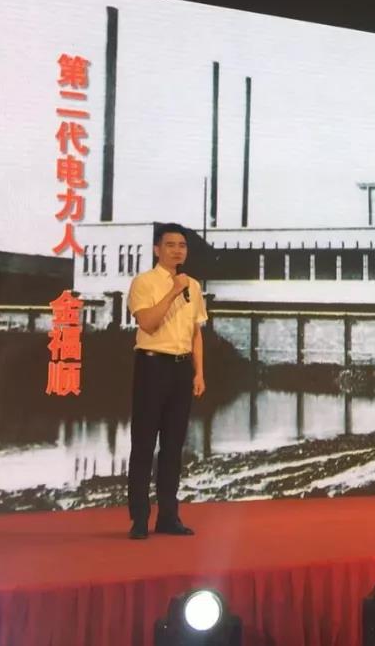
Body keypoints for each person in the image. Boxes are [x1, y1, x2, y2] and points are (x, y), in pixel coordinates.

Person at [126, 222, 207, 539]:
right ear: (157, 249)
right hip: (152, 366)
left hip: (181, 368)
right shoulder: (144, 282)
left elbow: (196, 333)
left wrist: (199, 372)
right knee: (144, 444)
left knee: (173, 447)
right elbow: (147, 322)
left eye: (182, 246)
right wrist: (174, 290)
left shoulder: (194, 286)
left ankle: (168, 517)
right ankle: (139, 519)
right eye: (170, 245)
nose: (177, 250)